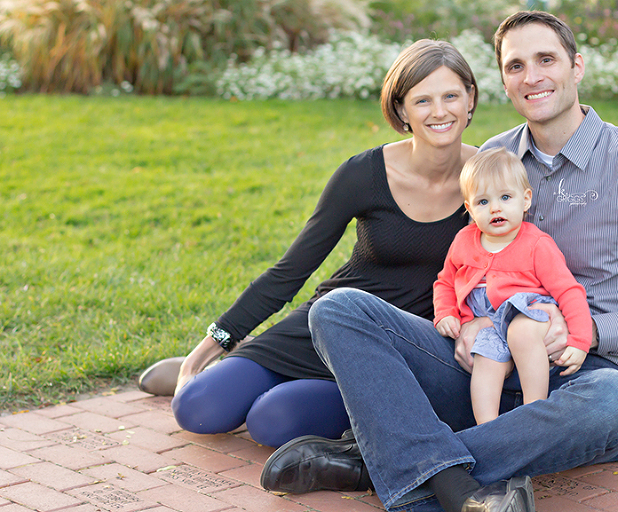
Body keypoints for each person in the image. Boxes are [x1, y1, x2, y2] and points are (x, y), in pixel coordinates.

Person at [259, 10, 618, 512]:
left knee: (616, 401)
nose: (532, 77)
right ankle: (447, 479)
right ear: (503, 81)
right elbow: (462, 266)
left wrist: (585, 329)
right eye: (515, 65)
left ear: (577, 67)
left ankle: (381, 466)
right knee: (339, 309)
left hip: (584, 381)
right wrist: (466, 322)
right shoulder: (492, 159)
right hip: (485, 366)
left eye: (546, 59)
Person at [139, 39, 479, 450]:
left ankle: (258, 381)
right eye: (422, 100)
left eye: (450, 96)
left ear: (470, 98)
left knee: (272, 422)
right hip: (322, 327)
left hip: (390, 352)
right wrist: (200, 354)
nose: (439, 111)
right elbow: (289, 272)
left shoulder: (487, 181)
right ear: (402, 109)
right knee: (197, 408)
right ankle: (225, 360)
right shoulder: (363, 174)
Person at [434, 147, 591, 421]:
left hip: (529, 311)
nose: (495, 207)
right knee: (486, 359)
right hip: (488, 324)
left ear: (525, 200)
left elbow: (569, 291)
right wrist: (445, 313)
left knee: (520, 332)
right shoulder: (463, 241)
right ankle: (489, 428)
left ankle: (533, 411)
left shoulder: (536, 244)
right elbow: (445, 282)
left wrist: (580, 341)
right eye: (483, 202)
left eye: (506, 197)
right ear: (469, 208)